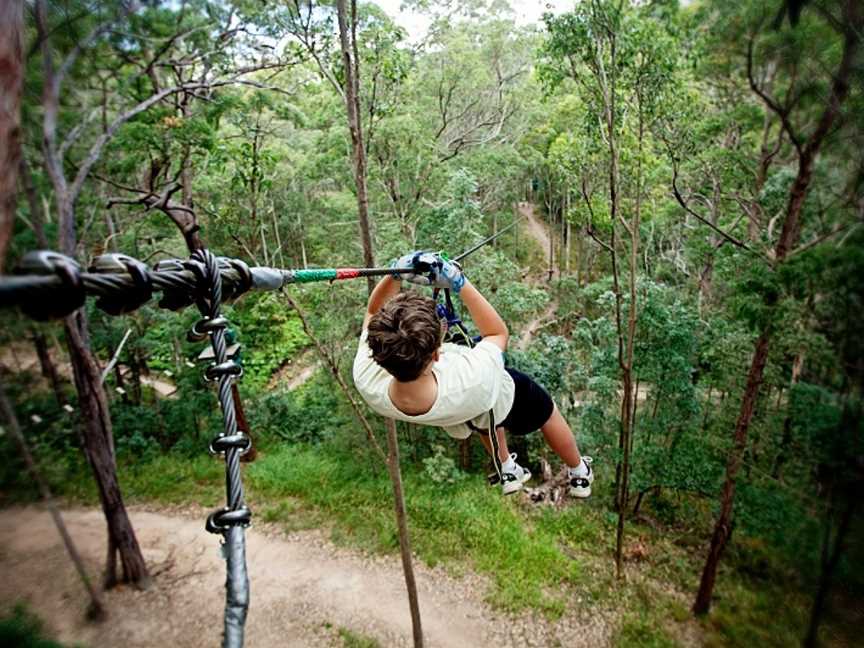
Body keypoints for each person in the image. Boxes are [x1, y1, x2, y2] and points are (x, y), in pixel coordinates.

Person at [352, 251, 593, 497]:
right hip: (500, 397)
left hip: (459, 413)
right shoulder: (471, 376)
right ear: (437, 354)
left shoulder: (367, 378)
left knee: (481, 418)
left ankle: (507, 466)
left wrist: (394, 273)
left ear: (378, 353)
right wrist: (458, 282)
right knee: (547, 412)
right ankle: (579, 471)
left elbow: (373, 313)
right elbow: (497, 334)